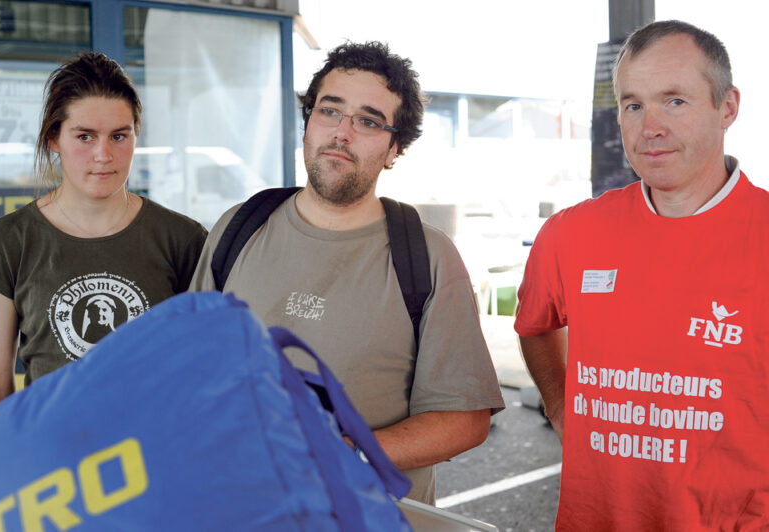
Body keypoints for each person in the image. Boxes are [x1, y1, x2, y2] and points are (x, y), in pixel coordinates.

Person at [190, 41, 504, 504]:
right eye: (330, 111)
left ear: (395, 148)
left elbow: (465, 419)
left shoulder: (427, 256)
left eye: (369, 121)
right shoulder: (239, 226)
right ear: (307, 123)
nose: (342, 132)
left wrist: (348, 453)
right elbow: (191, 366)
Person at [515, 20, 769, 529]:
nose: (649, 127)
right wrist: (563, 408)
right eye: (633, 105)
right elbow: (536, 324)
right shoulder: (570, 233)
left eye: (674, 101)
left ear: (728, 107)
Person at [0, 52, 208, 421]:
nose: (103, 155)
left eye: (118, 136)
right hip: (53, 459)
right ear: (54, 138)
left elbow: (203, 371)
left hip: (157, 456)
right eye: (85, 136)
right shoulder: (6, 243)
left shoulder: (182, 238)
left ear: (135, 136)